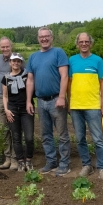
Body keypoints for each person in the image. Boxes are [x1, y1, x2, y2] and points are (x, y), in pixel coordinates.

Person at [26, 27, 71, 176]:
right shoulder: (33, 57)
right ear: (38, 39)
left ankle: (65, 164)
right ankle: (51, 161)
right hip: (41, 101)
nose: (44, 39)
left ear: (51, 38)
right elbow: (30, 80)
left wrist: (61, 97)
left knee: (62, 134)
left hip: (55, 100)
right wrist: (28, 101)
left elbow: (64, 76)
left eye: (47, 36)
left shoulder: (58, 52)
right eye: (41, 37)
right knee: (46, 134)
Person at [68, 33, 103, 179]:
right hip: (76, 106)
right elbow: (69, 83)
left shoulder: (98, 60)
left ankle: (102, 168)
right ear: (77, 43)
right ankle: (87, 165)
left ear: (90, 43)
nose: (84, 44)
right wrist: (69, 102)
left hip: (93, 106)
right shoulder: (72, 60)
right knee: (80, 139)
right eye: (81, 42)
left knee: (98, 138)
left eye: (87, 41)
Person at [0, 37, 25, 170]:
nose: (5, 49)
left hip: (14, 100)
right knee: (4, 130)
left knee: (15, 130)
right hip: (1, 98)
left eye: (7, 46)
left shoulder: (17, 60)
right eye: (2, 47)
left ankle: (15, 158)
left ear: (11, 46)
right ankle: (7, 158)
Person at [2, 53, 34, 172]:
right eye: (13, 61)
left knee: (29, 137)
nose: (15, 63)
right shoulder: (6, 78)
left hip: (26, 109)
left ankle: (29, 160)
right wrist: (6, 110)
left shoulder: (27, 75)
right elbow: (5, 96)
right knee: (16, 137)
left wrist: (29, 102)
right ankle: (20, 161)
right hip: (13, 109)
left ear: (21, 63)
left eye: (18, 61)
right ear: (10, 63)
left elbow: (31, 90)